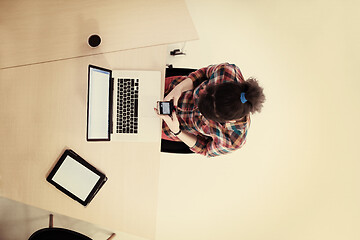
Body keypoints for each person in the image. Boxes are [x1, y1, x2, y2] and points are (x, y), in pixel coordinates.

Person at [155, 63, 265, 157]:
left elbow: (204, 149)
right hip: (171, 87)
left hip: (167, 127)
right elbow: (204, 73)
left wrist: (177, 131)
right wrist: (179, 89)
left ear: (227, 121)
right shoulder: (228, 72)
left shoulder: (234, 139)